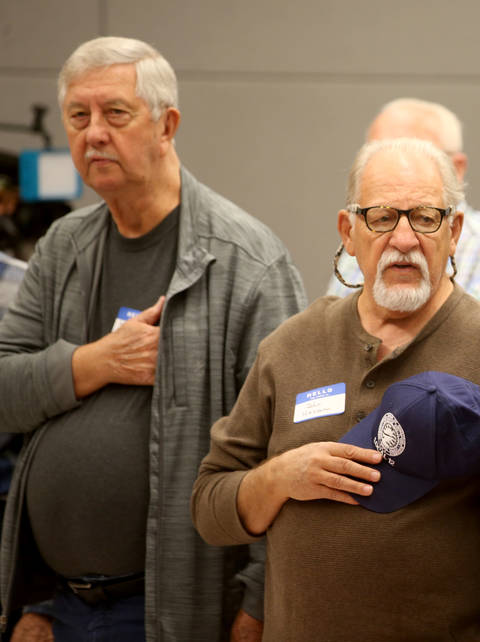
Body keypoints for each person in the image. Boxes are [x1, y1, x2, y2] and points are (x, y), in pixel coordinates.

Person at [192, 137, 480, 641]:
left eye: (425, 217)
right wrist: (281, 477)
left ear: (454, 231)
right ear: (348, 232)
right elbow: (209, 508)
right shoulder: (291, 347)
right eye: (382, 217)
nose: (404, 238)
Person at [0, 36, 306, 641]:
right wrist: (95, 362)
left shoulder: (246, 260)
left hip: (173, 609)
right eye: (78, 117)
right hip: (56, 606)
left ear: (167, 125)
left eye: (116, 113)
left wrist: (258, 607)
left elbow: (289, 445)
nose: (93, 134)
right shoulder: (63, 245)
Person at [327, 98, 480, 329]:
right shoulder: (358, 250)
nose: (402, 240)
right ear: (348, 233)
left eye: (416, 153)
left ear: (457, 168)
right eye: (378, 153)